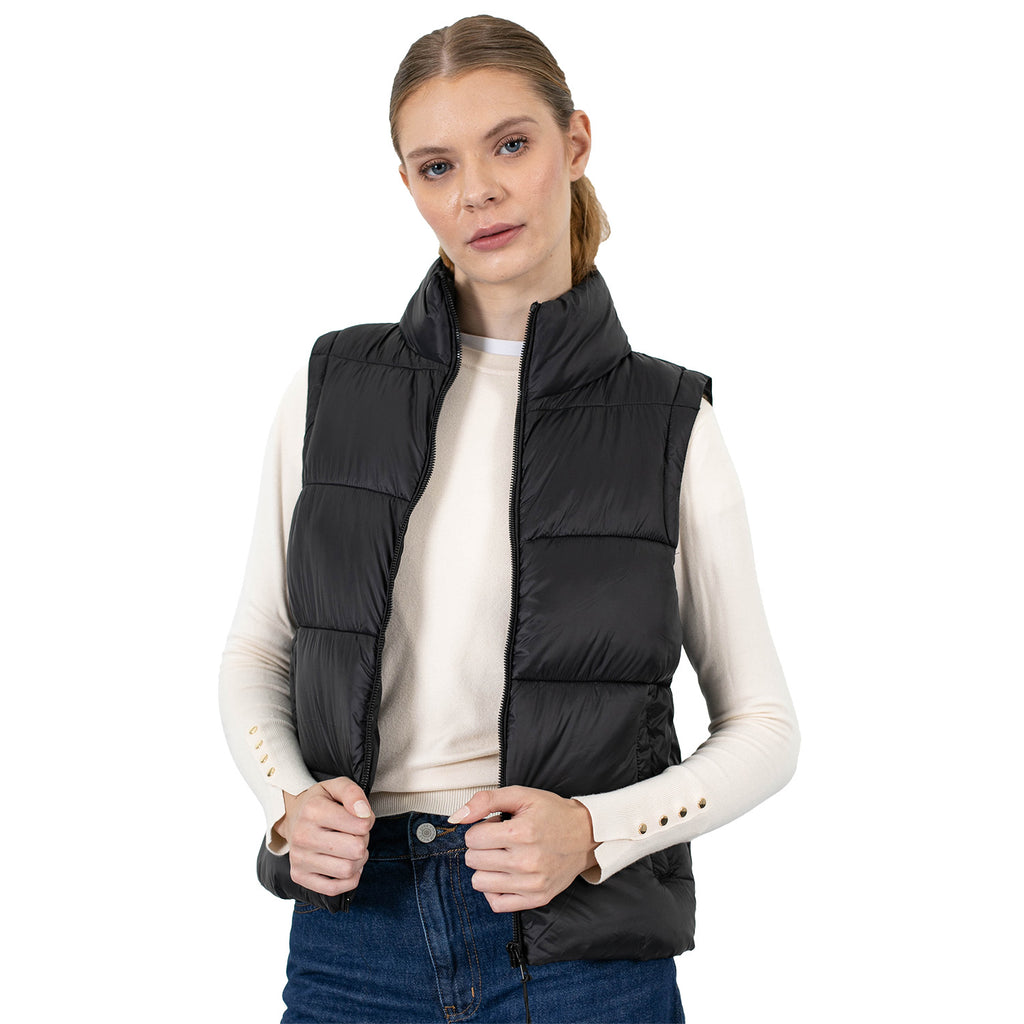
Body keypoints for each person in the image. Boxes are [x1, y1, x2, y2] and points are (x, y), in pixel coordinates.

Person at [219, 14, 799, 1024]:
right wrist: (287, 801)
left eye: (511, 145)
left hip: (580, 956)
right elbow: (257, 653)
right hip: (354, 943)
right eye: (437, 166)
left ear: (575, 143)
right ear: (409, 186)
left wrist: (594, 830)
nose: (477, 191)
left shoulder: (667, 419)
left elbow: (764, 729)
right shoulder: (332, 388)